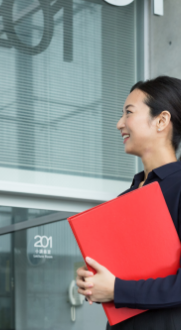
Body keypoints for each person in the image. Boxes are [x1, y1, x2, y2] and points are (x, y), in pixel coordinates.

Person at [76, 76, 181, 329]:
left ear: (161, 121)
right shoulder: (126, 198)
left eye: (129, 113)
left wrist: (116, 289)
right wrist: (92, 280)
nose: (119, 124)